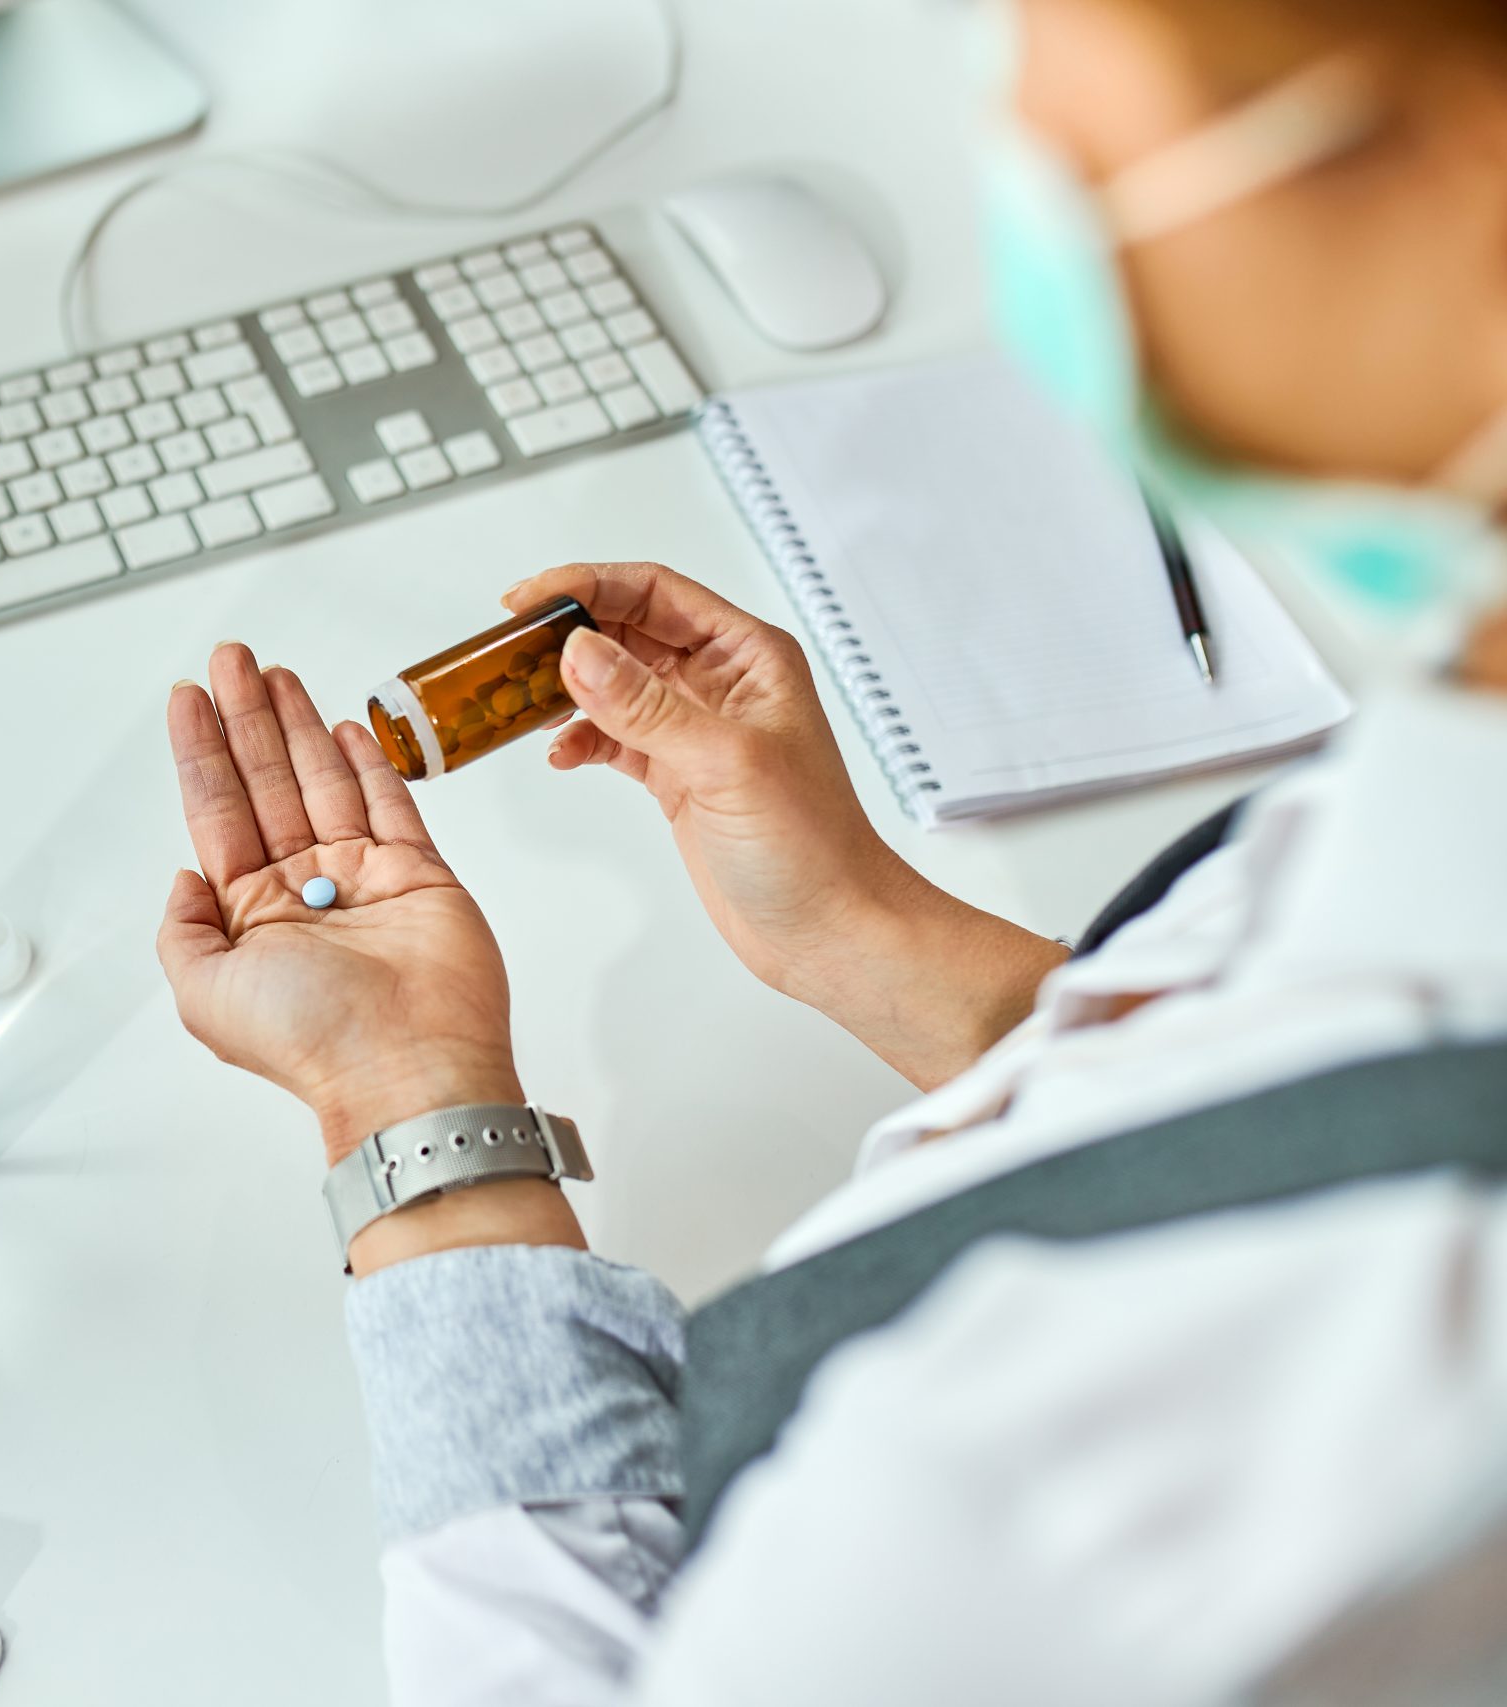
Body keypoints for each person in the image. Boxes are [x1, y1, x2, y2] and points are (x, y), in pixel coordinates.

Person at [153, 0, 1507, 1699]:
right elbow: (1274, 1070)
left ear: (1466, 193)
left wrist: (411, 1114)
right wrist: (859, 922)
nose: (1023, 126)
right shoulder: (1459, 752)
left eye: (1087, 59)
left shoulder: (1112, 1459)